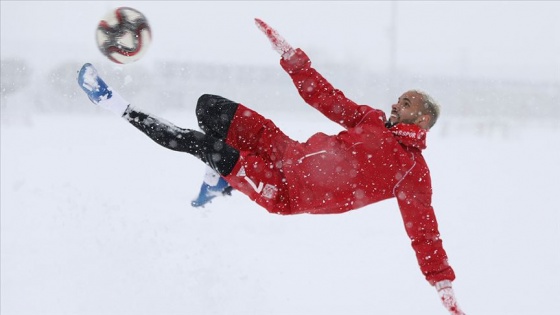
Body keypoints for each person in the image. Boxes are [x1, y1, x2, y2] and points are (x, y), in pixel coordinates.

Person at [76, 19, 465, 315]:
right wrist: (291, 56)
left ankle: (116, 105)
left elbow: (425, 231)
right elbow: (326, 98)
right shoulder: (371, 119)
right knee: (209, 107)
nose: (397, 104)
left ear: (424, 119)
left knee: (202, 144)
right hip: (285, 151)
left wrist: (442, 283)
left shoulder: (412, 171)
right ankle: (218, 181)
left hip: (283, 190)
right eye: (399, 99)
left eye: (407, 103)